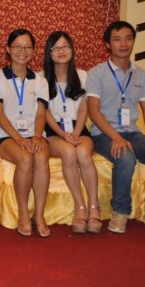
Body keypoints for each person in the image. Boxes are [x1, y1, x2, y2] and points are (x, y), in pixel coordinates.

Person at [87, 21, 145, 235]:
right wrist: (115, 137)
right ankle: (120, 211)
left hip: (132, 132)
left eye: (128, 38)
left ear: (133, 41)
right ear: (108, 44)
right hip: (103, 133)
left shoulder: (140, 74)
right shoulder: (97, 73)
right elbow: (94, 112)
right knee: (125, 156)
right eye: (117, 39)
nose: (123, 44)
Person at [0, 29, 51, 238]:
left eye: (27, 47)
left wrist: (37, 136)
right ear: (8, 49)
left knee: (41, 157)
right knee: (25, 158)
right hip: (5, 135)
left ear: (33, 51)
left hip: (34, 133)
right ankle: (23, 214)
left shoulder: (40, 81)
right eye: (17, 46)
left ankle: (39, 215)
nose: (22, 51)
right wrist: (19, 138)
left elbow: (41, 114)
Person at [41, 31, 101, 234]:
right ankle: (80, 206)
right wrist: (62, 133)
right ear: (49, 52)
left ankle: (94, 206)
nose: (61, 51)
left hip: (78, 127)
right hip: (53, 131)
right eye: (56, 47)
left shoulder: (83, 75)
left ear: (72, 50)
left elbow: (84, 108)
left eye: (65, 46)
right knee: (68, 152)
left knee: (83, 153)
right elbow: (44, 111)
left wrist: (75, 131)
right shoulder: (41, 78)